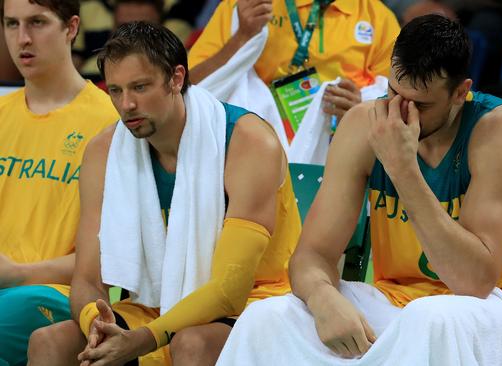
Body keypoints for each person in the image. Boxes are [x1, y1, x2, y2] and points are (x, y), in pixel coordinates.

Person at [216, 14, 502, 365]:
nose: (400, 112)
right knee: (268, 318)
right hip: (396, 301)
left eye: (421, 105)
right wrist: (323, 297)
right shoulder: (362, 125)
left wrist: (402, 169)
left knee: (431, 320)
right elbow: (312, 255)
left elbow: (473, 282)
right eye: (394, 92)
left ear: (461, 92)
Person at [27, 21, 300, 366]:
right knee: (49, 341)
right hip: (152, 303)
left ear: (176, 79)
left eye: (140, 87)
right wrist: (95, 325)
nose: (126, 105)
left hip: (256, 303)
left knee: (192, 344)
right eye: (115, 91)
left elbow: (230, 290)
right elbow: (86, 279)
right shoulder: (104, 151)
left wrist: (143, 339)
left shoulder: (249, 143)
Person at [0, 0, 118, 363]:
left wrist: (19, 274)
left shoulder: (110, 122)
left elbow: (118, 257)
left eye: (37, 22)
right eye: (11, 23)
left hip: (64, 294)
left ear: (71, 27)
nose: (22, 39)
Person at [188, 0, 400, 121]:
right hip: (255, 150)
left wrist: (361, 108)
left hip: (338, 154)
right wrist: (242, 37)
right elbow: (188, 88)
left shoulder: (379, 18)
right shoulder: (248, 5)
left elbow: (397, 104)